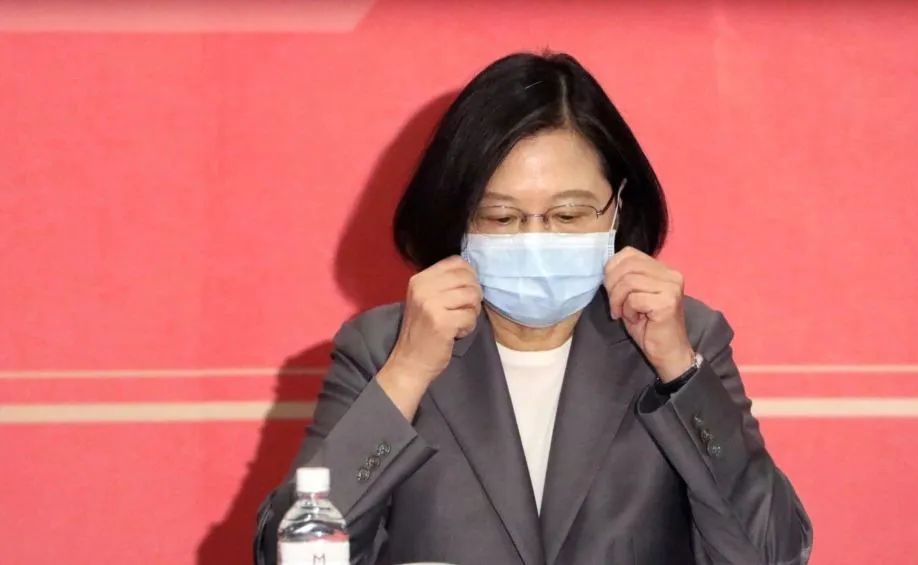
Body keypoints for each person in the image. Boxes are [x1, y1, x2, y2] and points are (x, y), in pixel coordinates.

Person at [254, 51, 813, 565]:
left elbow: (772, 553)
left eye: (569, 215)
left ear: (618, 207)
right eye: (501, 217)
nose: (536, 238)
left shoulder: (685, 338)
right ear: (458, 216)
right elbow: (289, 557)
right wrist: (406, 373)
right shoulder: (383, 348)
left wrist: (680, 371)